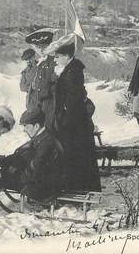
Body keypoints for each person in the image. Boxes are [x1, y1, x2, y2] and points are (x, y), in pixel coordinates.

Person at [53, 42, 101, 191]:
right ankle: (79, 186)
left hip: (74, 122)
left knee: (76, 154)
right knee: (79, 155)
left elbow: (73, 99)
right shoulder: (72, 69)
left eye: (58, 56)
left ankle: (77, 188)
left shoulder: (72, 72)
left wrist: (65, 120)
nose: (55, 59)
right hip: (76, 120)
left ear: (67, 57)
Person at [0, 108, 63, 201]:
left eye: (26, 126)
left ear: (36, 126)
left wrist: (9, 175)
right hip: (38, 181)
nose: (24, 130)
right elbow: (22, 154)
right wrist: (1, 161)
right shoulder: (42, 137)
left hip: (45, 188)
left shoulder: (47, 143)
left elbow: (34, 170)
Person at [25, 28, 58, 131]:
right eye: (38, 47)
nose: (40, 50)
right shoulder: (42, 64)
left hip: (53, 107)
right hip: (41, 107)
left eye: (43, 46)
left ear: (50, 46)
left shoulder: (55, 62)